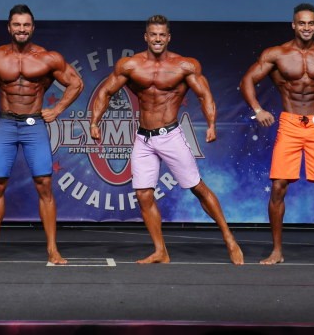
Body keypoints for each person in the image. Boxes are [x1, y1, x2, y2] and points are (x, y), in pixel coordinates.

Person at [90, 15, 244, 265]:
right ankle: (160, 251)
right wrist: (94, 122)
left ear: (168, 37)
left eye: (162, 35)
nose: (157, 39)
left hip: (170, 136)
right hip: (143, 139)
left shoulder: (184, 66)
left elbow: (205, 95)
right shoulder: (130, 65)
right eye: (153, 34)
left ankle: (229, 238)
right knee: (143, 195)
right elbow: (106, 92)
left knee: (197, 187)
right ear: (146, 37)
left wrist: (212, 124)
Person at [0, 4, 83, 264]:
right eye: (17, 24)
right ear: (9, 27)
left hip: (34, 125)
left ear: (33, 28)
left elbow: (76, 83)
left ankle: (53, 250)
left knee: (44, 184)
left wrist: (57, 109)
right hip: (7, 124)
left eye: (26, 25)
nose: (22, 29)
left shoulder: (48, 58)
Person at [240, 3, 314, 266]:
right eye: (302, 23)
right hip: (290, 124)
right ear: (293, 25)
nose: (307, 27)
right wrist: (258, 109)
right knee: (278, 187)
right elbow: (247, 80)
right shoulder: (277, 54)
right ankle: (276, 251)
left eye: (311, 23)